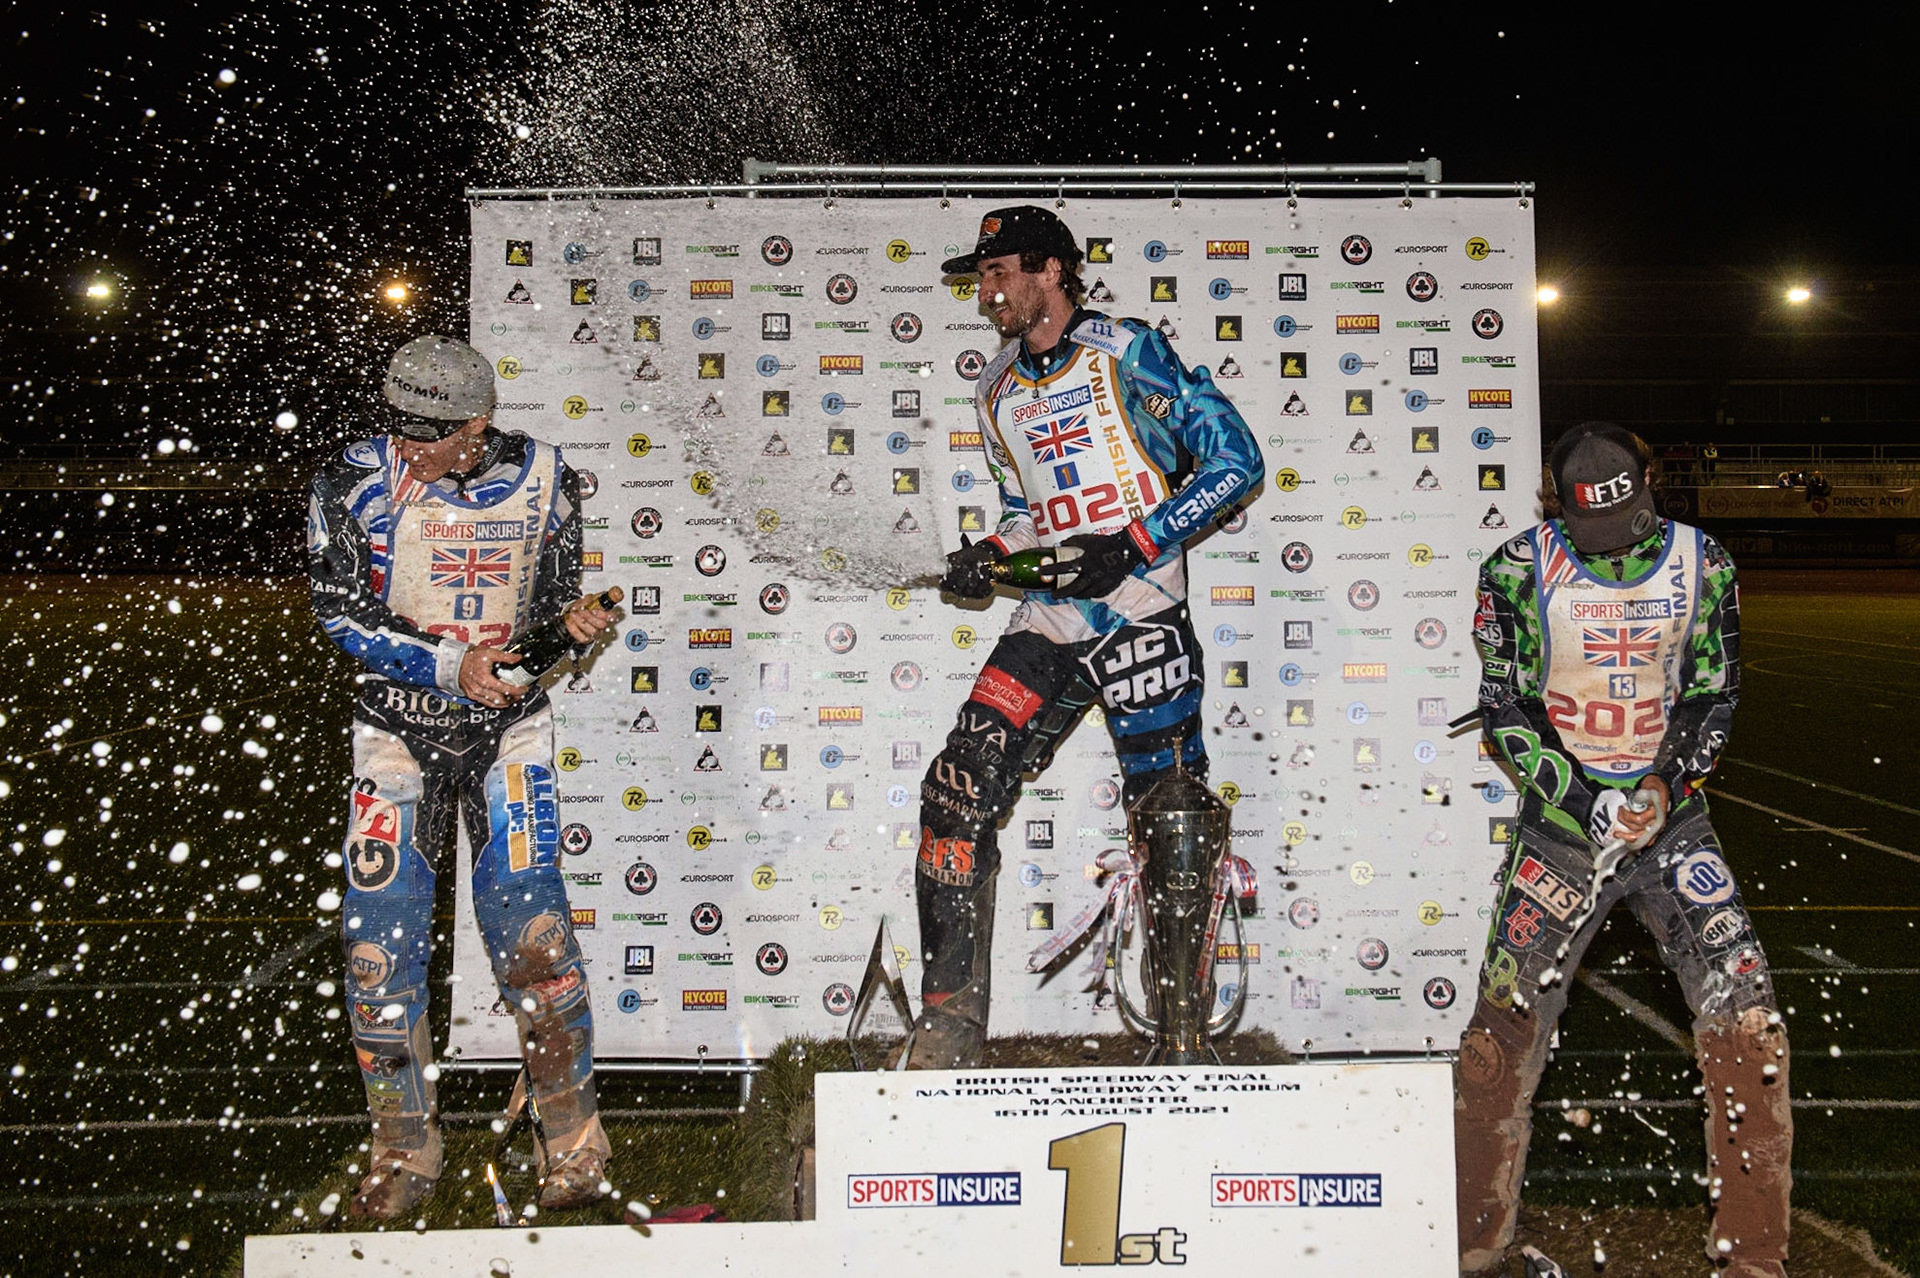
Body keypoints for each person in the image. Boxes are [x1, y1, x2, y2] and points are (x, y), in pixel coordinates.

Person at [906, 206, 1265, 1068]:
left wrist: (1134, 544)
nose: (987, 293)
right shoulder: (994, 389)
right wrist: (986, 555)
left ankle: (1183, 1039)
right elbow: (1026, 517)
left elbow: (1236, 462)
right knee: (954, 797)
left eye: (1000, 274)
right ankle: (950, 1030)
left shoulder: (1128, 350)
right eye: (981, 279)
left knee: (1174, 817)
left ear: (1052, 273)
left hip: (1142, 607)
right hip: (1051, 622)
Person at [1457, 422, 1791, 1277]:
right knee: (1501, 1040)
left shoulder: (1704, 563)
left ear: (1653, 483)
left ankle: (1754, 1261)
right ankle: (1472, 1248)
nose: (1611, 543)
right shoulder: (1515, 569)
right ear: (1553, 505)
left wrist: (1661, 788)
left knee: (1748, 1025)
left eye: (1626, 518)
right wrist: (1583, 799)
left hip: (1672, 827)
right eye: (1590, 527)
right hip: (1561, 833)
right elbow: (1508, 707)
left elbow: (1715, 692)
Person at [308, 335, 617, 1218]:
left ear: (478, 423)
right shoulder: (352, 478)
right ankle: (404, 1146)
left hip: (507, 728)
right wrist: (449, 665)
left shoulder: (549, 477)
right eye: (398, 423)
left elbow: (551, 600)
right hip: (396, 728)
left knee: (536, 936)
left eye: (431, 431)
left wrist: (569, 626)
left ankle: (574, 1144)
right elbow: (340, 613)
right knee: (378, 945)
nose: (409, 444)